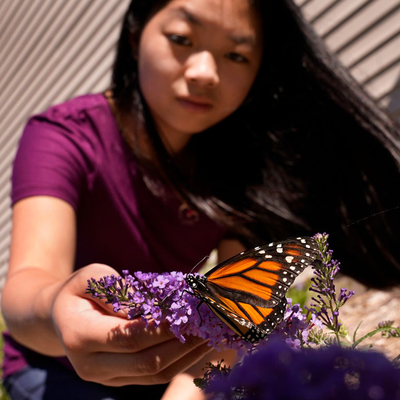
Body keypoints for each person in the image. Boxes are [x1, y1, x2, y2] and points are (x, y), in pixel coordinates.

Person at [1, 0, 400, 399]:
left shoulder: (239, 169)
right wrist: (57, 309)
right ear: (136, 35)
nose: (205, 73)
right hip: (52, 366)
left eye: (236, 55)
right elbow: (27, 282)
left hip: (170, 366)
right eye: (181, 39)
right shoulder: (66, 135)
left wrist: (185, 391)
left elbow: (235, 320)